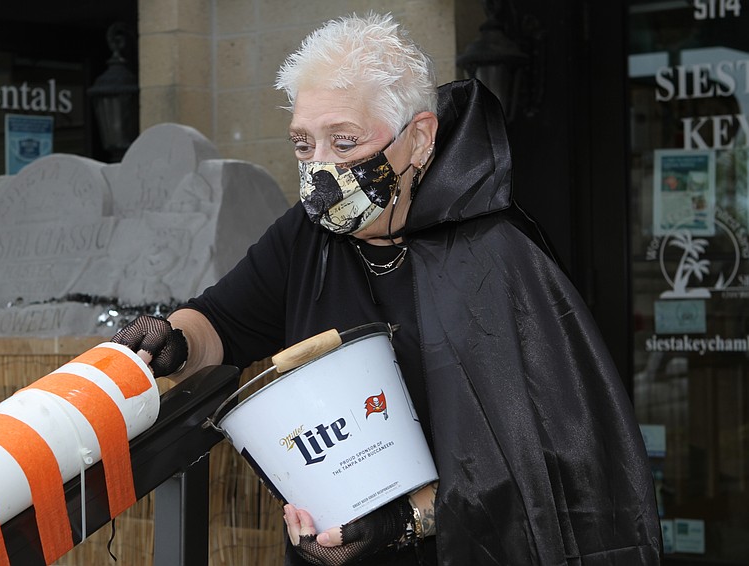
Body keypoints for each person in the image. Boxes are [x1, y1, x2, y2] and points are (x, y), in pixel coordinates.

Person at [111, 12, 663, 566]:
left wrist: (404, 520)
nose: (320, 170)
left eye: (344, 141)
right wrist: (171, 339)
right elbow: (221, 323)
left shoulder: (496, 258)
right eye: (304, 145)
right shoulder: (307, 236)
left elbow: (542, 465)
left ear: (419, 139)